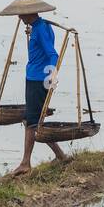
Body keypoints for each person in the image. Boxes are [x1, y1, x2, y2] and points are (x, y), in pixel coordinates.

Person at [12, 9, 67, 177]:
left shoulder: (41, 29)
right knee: (36, 120)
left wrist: (52, 73)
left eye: (21, 14)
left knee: (31, 122)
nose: (19, 16)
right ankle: (60, 156)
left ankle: (25, 163)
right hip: (34, 77)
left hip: (37, 79)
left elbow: (52, 54)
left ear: (30, 13)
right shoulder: (40, 27)